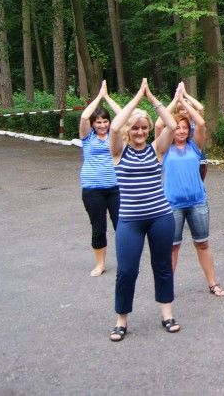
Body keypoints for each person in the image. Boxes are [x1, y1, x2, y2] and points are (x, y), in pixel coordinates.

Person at [108, 78, 179, 342]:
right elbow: (115, 127)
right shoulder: (118, 151)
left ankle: (167, 314)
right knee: (127, 270)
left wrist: (152, 99)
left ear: (149, 130)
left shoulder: (156, 150)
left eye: (144, 127)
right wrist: (137, 98)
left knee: (162, 266)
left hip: (160, 217)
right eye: (135, 128)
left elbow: (171, 124)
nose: (139, 132)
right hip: (130, 220)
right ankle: (121, 319)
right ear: (129, 129)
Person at [163, 84, 224, 296]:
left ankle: (212, 283)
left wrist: (184, 102)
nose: (180, 130)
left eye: (183, 127)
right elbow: (158, 123)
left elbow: (200, 121)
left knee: (202, 244)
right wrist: (175, 101)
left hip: (198, 202)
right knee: (172, 248)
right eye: (176, 127)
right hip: (172, 205)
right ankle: (167, 288)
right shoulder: (163, 149)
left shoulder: (195, 146)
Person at [78, 80, 122, 277]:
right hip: (92, 189)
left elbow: (123, 116)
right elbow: (84, 116)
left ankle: (125, 262)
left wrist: (108, 97)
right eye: (99, 122)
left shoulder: (115, 136)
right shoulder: (88, 137)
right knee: (98, 228)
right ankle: (100, 264)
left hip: (116, 188)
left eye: (105, 121)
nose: (103, 125)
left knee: (122, 226)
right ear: (93, 125)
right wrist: (98, 97)